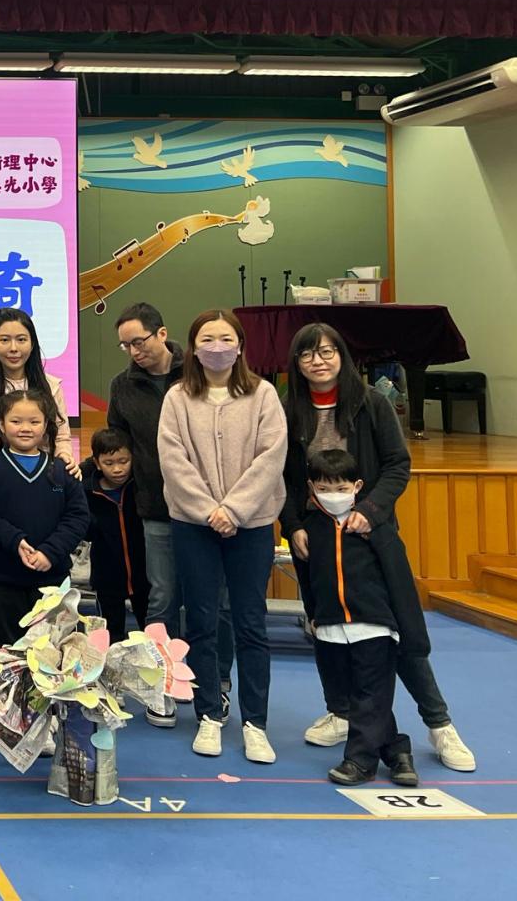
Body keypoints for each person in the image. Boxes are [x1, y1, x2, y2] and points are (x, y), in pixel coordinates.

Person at [282, 324, 475, 772]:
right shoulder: (288, 410)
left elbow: (397, 464)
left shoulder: (370, 402)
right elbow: (284, 478)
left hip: (370, 535)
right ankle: (342, 711)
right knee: (326, 629)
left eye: (326, 351)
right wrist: (293, 526)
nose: (318, 361)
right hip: (316, 538)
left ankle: (439, 723)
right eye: (307, 354)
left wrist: (370, 510)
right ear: (296, 363)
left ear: (342, 355)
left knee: (395, 630)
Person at [158, 308, 287, 765]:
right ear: (193, 349)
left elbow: (271, 456)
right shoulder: (177, 398)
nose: (217, 347)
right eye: (207, 339)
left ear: (240, 346)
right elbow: (172, 459)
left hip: (251, 525)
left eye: (226, 338)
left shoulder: (263, 394)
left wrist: (233, 510)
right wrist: (208, 510)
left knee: (250, 622)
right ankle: (209, 714)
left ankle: (256, 724)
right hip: (194, 525)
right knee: (201, 620)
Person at [299, 450, 425, 788]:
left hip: (374, 626)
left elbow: (399, 577)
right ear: (312, 488)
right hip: (330, 628)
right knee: (356, 697)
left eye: (341, 488)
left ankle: (360, 761)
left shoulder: (374, 525)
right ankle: (397, 751)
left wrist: (405, 626)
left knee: (370, 694)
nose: (333, 495)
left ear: (356, 486)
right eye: (324, 488)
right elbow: (308, 579)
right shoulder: (310, 528)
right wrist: (314, 615)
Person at [105, 301, 203, 727]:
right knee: (160, 596)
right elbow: (117, 441)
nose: (134, 352)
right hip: (155, 507)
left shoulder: (199, 373)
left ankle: (208, 680)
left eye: (139, 342)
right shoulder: (122, 385)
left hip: (206, 508)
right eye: (125, 345)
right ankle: (160, 682)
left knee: (207, 598)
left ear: (162, 334)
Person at [0, 391, 90, 648]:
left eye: (34, 421)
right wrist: (14, 540)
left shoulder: (61, 470)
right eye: (16, 421)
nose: (25, 428)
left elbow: (77, 516)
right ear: (1, 425)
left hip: (52, 581)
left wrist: (50, 552)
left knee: (54, 653)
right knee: (4, 654)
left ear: (46, 425)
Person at [0, 308, 74, 465]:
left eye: (21, 339)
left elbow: (61, 437)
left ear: (32, 344)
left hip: (41, 469)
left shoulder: (51, 386)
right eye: (4, 340)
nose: (13, 348)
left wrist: (64, 455)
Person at [82, 428, 149, 644]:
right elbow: (84, 530)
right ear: (97, 463)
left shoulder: (140, 488)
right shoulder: (88, 492)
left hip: (144, 577)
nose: (118, 469)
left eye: (123, 461)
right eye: (109, 463)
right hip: (107, 579)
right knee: (111, 637)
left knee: (151, 636)